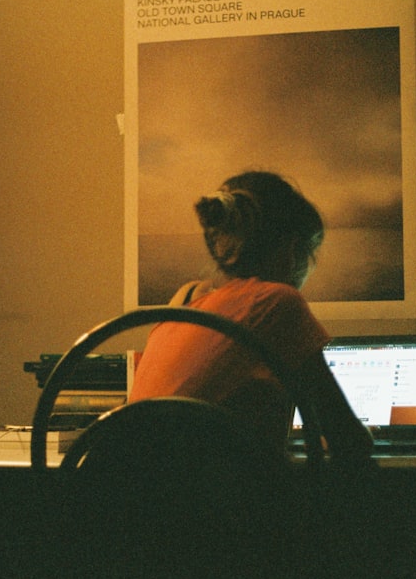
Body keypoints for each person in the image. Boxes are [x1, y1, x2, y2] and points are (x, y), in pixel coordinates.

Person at [129, 170, 374, 463]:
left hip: (133, 493)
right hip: (213, 501)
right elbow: (350, 440)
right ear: (292, 248)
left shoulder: (185, 300)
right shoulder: (278, 302)